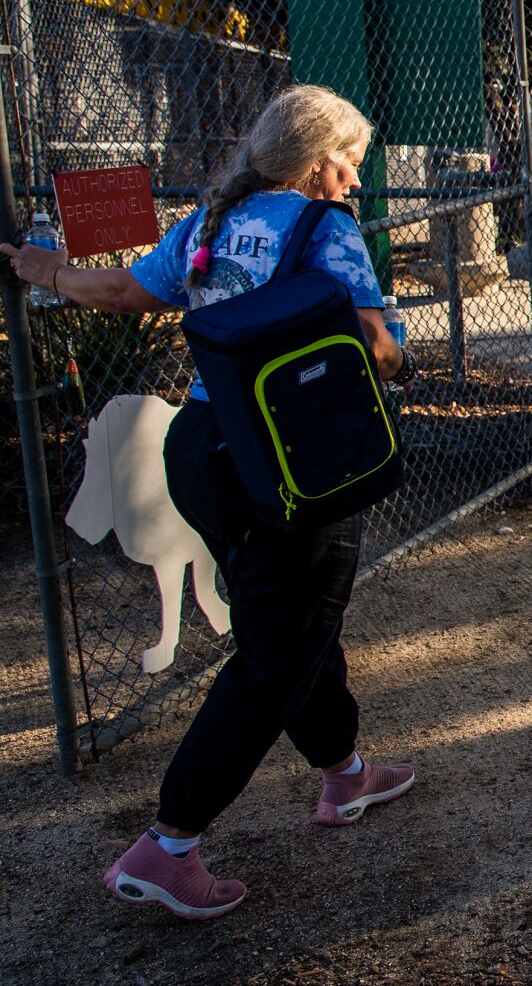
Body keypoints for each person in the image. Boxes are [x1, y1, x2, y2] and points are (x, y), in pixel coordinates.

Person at [0, 84, 413, 921]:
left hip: (203, 448)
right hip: (294, 458)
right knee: (279, 642)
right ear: (316, 157)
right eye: (351, 161)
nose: (355, 180)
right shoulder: (324, 228)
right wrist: (399, 358)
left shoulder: (208, 225)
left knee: (288, 616)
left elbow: (122, 293)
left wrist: (47, 269)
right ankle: (170, 840)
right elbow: (372, 346)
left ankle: (342, 770)